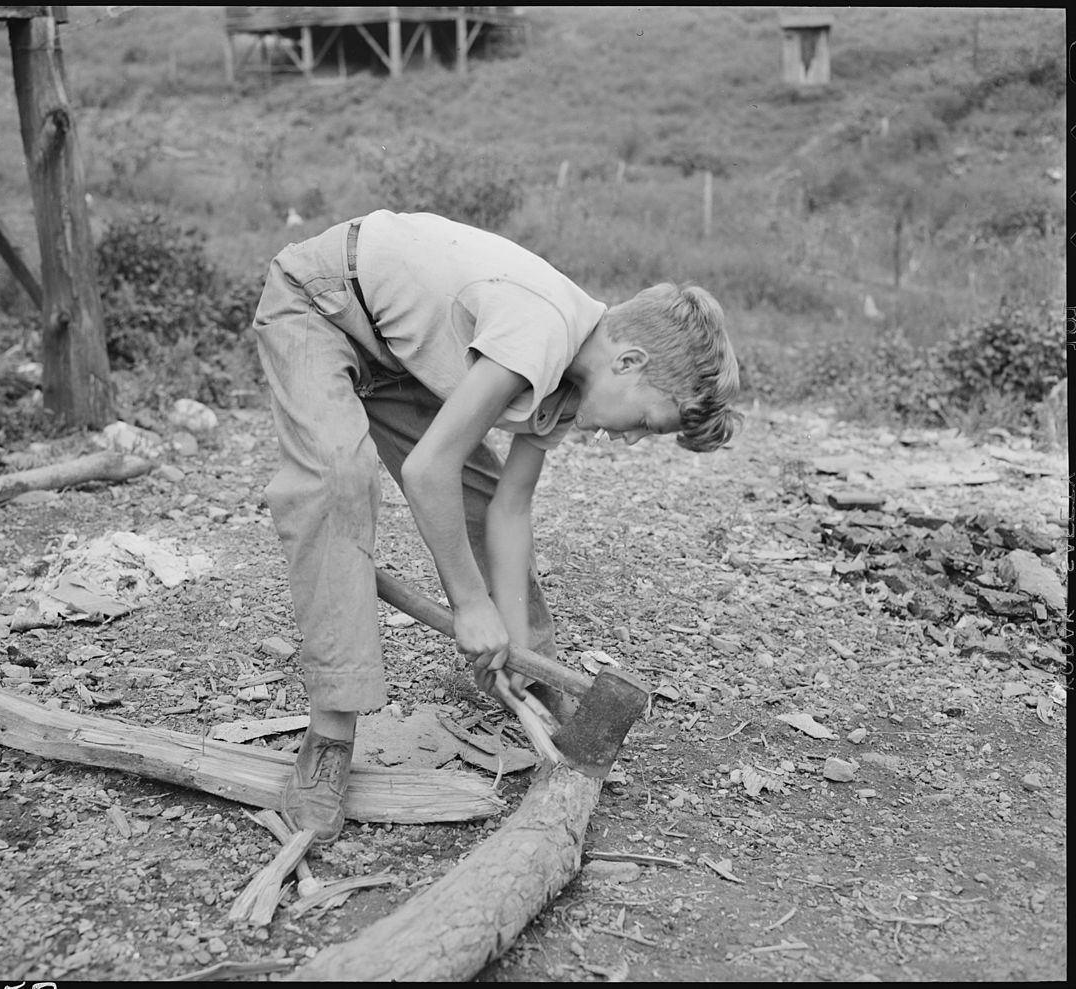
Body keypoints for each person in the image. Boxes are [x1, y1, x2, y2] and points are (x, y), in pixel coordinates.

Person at [251, 208, 742, 842]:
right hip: (321, 305)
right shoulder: (540, 330)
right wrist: (471, 605)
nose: (631, 441)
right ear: (629, 362)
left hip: (398, 355)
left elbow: (509, 507)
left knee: (480, 499)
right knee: (336, 484)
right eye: (649, 422)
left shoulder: (571, 384)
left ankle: (530, 678)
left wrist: (509, 633)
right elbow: (430, 470)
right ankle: (330, 735)